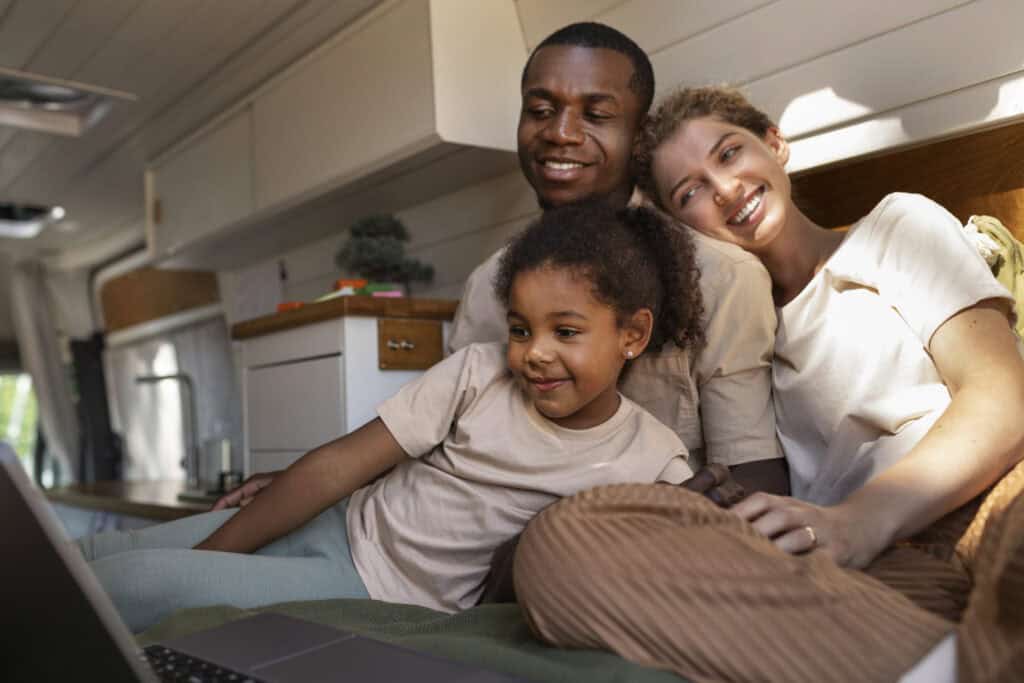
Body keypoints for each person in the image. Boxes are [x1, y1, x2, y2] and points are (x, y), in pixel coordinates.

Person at [512, 87, 1024, 683]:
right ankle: (944, 662)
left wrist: (859, 520)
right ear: (682, 228)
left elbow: (1006, 398)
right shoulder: (727, 334)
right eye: (691, 193)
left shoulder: (894, 228)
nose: (724, 190)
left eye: (729, 155)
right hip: (865, 571)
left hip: (988, 496)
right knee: (559, 544)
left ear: (775, 145)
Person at [215, 23, 788, 515]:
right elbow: (436, 443)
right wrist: (307, 491)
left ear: (638, 140)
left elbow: (754, 482)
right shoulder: (488, 285)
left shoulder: (719, 279)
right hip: (414, 526)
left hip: (586, 557)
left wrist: (597, 537)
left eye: (595, 114)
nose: (559, 132)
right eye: (540, 110)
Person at [80, 202, 704, 633]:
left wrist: (209, 567)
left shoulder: (654, 457)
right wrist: (222, 549)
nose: (533, 353)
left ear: (632, 333)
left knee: (129, 585)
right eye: (520, 328)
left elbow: (694, 555)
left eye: (565, 331)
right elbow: (338, 466)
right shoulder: (478, 372)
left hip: (377, 591)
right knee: (100, 552)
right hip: (337, 522)